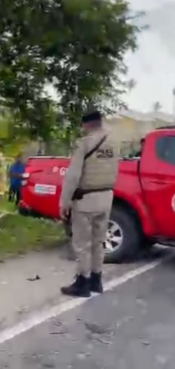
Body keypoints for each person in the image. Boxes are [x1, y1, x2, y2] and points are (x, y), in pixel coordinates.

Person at [59, 110, 118, 297]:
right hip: (107, 197)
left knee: (82, 243)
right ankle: (96, 280)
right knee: (99, 241)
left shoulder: (85, 143)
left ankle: (82, 283)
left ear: (86, 124)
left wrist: (64, 201)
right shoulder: (114, 143)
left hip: (86, 200)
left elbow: (73, 176)